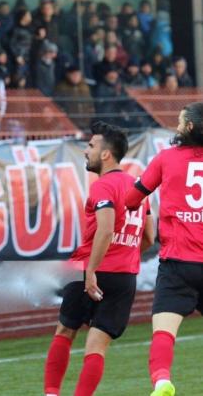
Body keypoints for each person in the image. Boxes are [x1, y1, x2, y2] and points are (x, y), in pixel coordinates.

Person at [44, 122, 155, 396]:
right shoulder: (138, 187)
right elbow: (151, 237)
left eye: (91, 146)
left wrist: (92, 269)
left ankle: (51, 393)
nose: (86, 151)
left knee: (65, 333)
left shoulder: (102, 187)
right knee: (97, 348)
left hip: (89, 271)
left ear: (106, 154)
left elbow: (106, 229)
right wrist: (125, 255)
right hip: (124, 278)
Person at [125, 102, 203, 396]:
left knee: (163, 332)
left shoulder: (166, 159)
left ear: (190, 127)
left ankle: (162, 381)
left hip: (178, 263)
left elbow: (133, 199)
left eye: (181, 121)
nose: (177, 126)